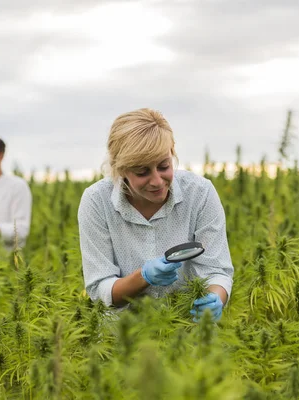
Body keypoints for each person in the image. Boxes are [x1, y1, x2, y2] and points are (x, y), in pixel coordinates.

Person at [77, 108, 234, 321]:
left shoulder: (200, 193)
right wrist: (143, 277)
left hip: (187, 331)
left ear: (172, 152)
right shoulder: (96, 201)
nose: (157, 181)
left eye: (163, 166)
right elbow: (100, 288)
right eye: (142, 172)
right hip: (124, 338)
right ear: (120, 169)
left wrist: (215, 297)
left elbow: (216, 271)